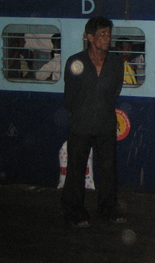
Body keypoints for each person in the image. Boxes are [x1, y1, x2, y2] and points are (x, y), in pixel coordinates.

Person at [62, 16, 125, 229]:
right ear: (90, 37)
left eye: (108, 34)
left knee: (108, 170)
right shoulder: (75, 62)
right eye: (102, 35)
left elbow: (115, 91)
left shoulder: (116, 63)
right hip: (80, 125)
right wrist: (81, 114)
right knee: (76, 171)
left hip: (106, 125)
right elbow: (69, 96)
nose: (107, 38)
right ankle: (75, 211)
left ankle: (108, 208)